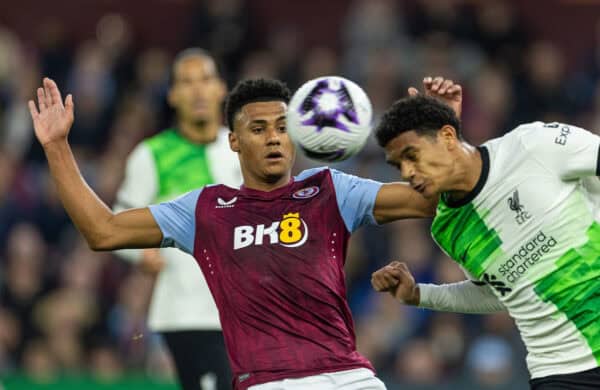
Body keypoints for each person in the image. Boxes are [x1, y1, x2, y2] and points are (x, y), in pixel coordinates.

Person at [28, 76, 460, 390]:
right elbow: (103, 231)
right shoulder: (207, 210)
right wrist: (57, 147)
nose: (274, 138)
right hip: (269, 383)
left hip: (350, 377)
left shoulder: (330, 190)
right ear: (233, 141)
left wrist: (441, 138)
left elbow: (429, 200)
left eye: (282, 128)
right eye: (258, 129)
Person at [370, 94, 600, 389]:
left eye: (411, 155)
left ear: (447, 136)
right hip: (560, 371)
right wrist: (418, 295)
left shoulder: (533, 146)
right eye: (397, 165)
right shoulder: (447, 228)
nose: (407, 173)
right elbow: (499, 294)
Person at [113, 48, 240, 390]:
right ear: (172, 94)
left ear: (221, 88)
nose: (197, 91)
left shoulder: (243, 150)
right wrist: (141, 254)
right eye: (186, 82)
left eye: (205, 80)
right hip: (187, 314)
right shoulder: (152, 155)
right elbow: (117, 222)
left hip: (247, 310)